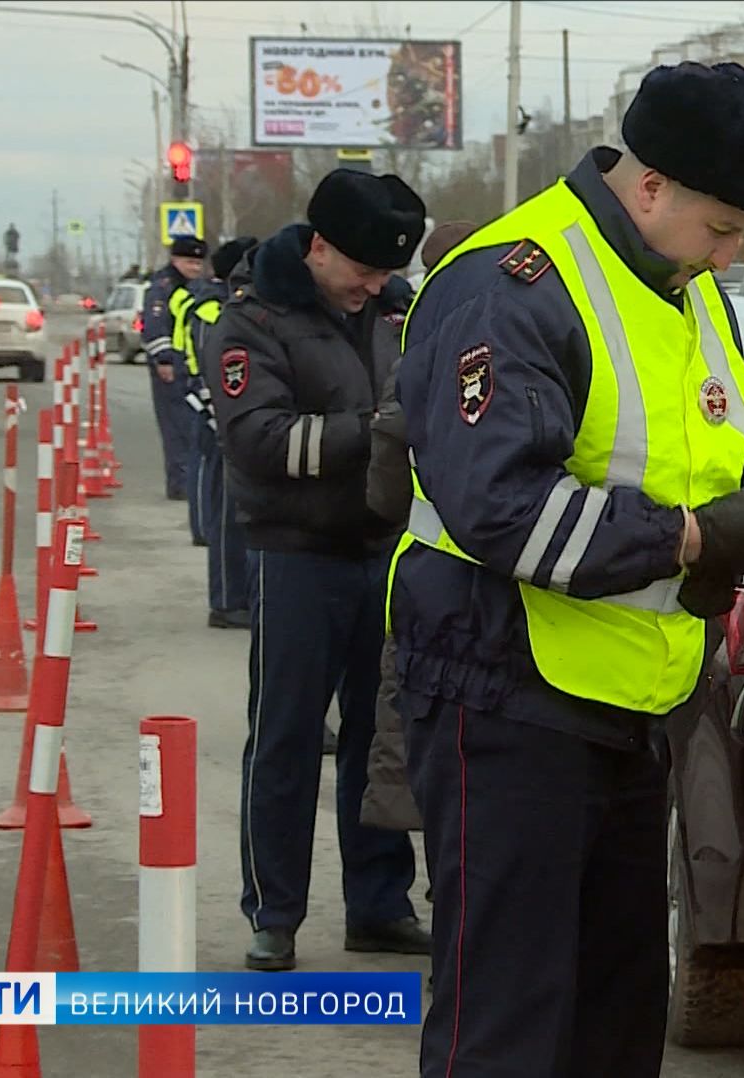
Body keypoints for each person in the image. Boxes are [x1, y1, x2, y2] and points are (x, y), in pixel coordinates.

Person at [371, 60, 744, 1077]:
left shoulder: (686, 286)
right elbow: (506, 510)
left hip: (635, 706)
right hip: (505, 691)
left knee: (615, 1020)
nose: (735, 252)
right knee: (507, 1023)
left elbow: (718, 450)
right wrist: (697, 536)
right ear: (650, 187)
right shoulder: (511, 285)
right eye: (725, 227)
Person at [208, 168, 429, 972]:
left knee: (384, 740)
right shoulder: (252, 320)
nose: (375, 286)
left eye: (386, 272)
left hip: (385, 549)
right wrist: (375, 432)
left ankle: (379, 904)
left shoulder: (394, 309)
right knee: (287, 738)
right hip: (295, 555)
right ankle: (275, 914)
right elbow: (259, 441)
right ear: (319, 247)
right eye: (364, 270)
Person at [173, 235, 259, 628]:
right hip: (215, 415)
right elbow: (215, 368)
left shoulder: (227, 306)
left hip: (227, 415)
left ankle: (236, 595)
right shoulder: (213, 310)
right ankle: (226, 600)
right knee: (224, 511)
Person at [143, 237, 207, 509]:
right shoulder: (163, 287)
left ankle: (188, 480)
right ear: (175, 260)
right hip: (169, 367)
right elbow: (156, 326)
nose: (194, 267)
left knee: (191, 425)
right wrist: (164, 359)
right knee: (175, 426)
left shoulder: (193, 287)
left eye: (198, 263)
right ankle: (179, 483)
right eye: (189, 262)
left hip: (189, 367)